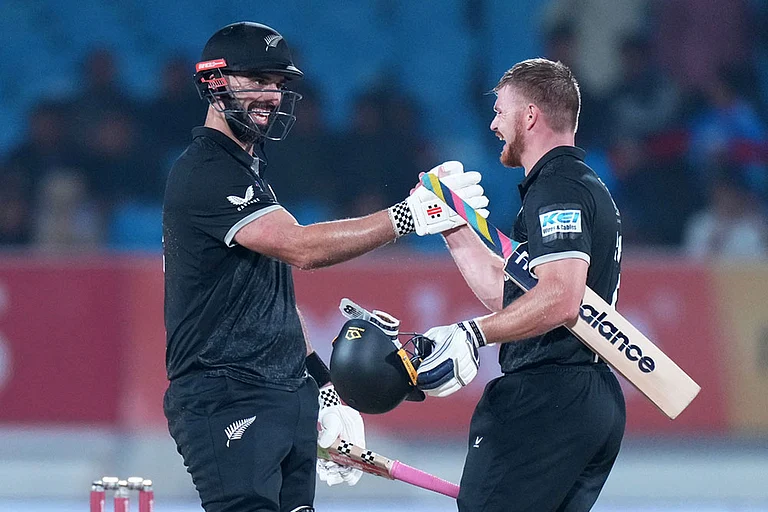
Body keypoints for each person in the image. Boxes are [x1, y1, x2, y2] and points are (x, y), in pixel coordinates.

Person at [161, 21, 488, 512]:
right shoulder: (204, 171)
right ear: (215, 82)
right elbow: (301, 248)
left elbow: (271, 301)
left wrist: (323, 388)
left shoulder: (250, 170)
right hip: (226, 395)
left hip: (282, 393)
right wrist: (410, 215)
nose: (271, 95)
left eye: (278, 83)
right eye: (257, 79)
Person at [416, 58, 626, 511]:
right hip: (584, 397)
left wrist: (472, 334)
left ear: (529, 116)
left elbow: (562, 298)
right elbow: (512, 296)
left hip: (547, 400)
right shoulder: (576, 186)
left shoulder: (558, 190)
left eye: (499, 111)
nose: (493, 124)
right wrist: (452, 226)